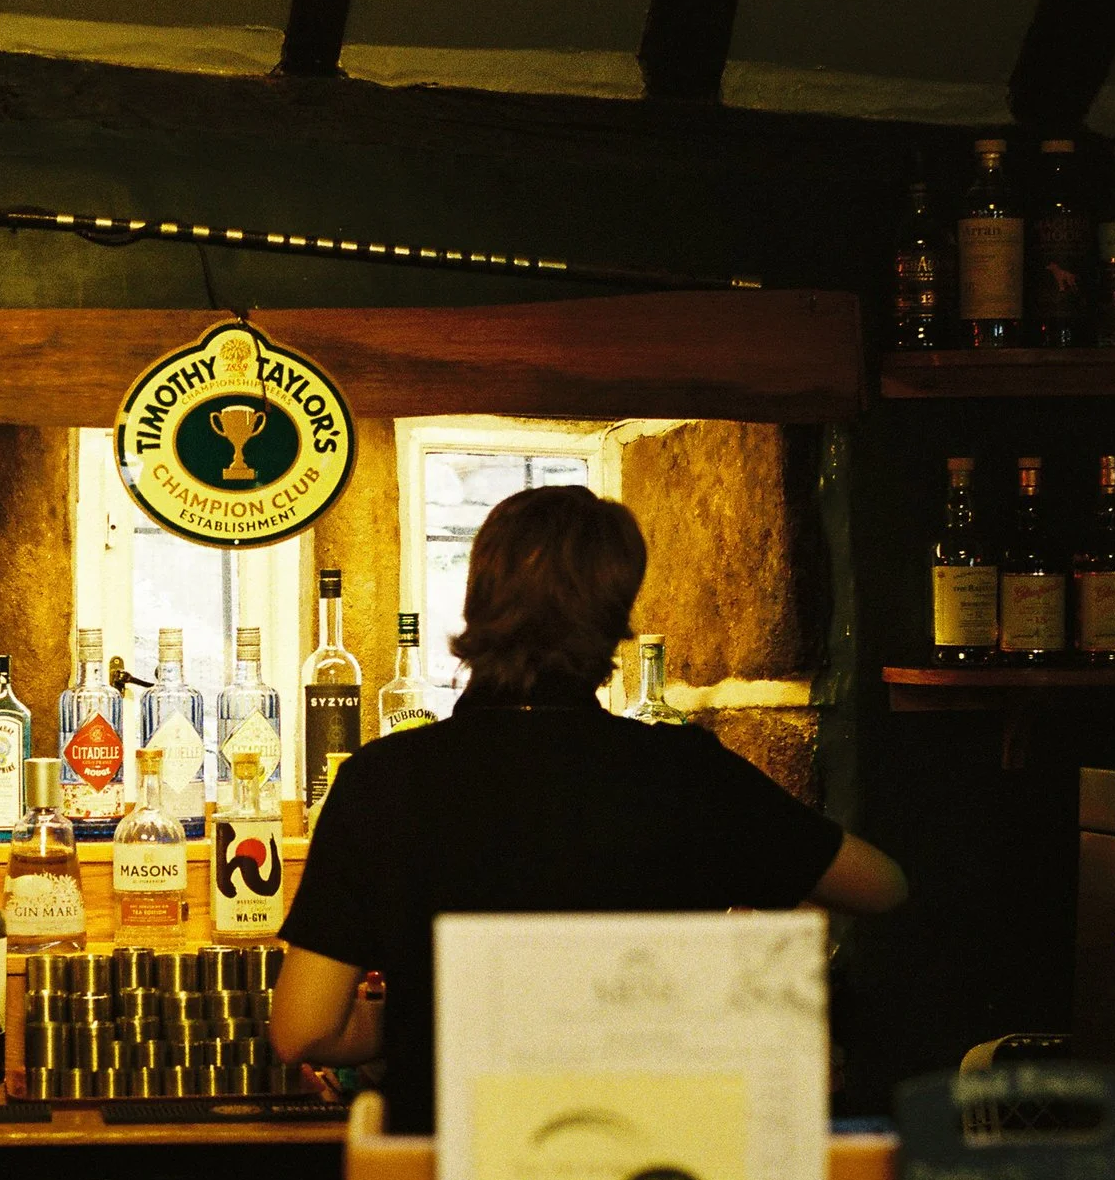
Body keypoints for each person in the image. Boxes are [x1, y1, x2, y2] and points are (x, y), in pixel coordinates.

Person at [267, 485, 906, 1133]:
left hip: (449, 1167)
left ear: (478, 598)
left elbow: (302, 1029)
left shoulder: (384, 778)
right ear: (614, 617)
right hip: (641, 1165)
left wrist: (386, 1025)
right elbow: (882, 886)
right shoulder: (685, 772)